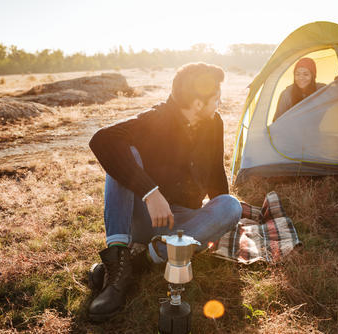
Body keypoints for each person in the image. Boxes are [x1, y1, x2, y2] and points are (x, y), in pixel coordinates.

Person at [87, 63, 242, 321]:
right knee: (123, 154)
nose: (219, 103)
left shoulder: (214, 123)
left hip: (181, 224)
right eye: (216, 98)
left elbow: (216, 170)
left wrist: (221, 224)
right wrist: (150, 193)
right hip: (144, 217)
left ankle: (138, 262)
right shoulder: (155, 119)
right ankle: (118, 268)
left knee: (231, 205)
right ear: (196, 103)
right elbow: (102, 140)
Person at [273, 57, 326, 122]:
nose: (301, 78)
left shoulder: (321, 90)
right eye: (297, 74)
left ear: (313, 76)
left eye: (306, 74)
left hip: (313, 130)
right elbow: (277, 122)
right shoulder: (286, 95)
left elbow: (337, 90)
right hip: (291, 130)